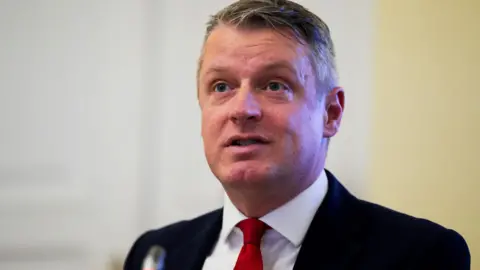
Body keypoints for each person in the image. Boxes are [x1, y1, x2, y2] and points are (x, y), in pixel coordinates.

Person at [124, 0, 470, 269]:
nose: (242, 109)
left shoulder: (422, 256)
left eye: (275, 85)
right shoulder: (157, 252)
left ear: (331, 113)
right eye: (221, 86)